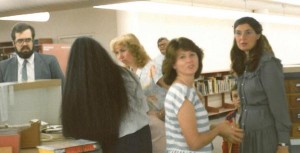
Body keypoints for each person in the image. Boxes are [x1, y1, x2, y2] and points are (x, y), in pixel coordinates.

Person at [61, 37, 152, 153]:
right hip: (139, 135)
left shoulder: (79, 85)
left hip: (110, 141)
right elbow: (144, 108)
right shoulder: (126, 75)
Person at [163, 37, 244, 153]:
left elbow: (194, 128)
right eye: (182, 57)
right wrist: (218, 130)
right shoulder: (181, 93)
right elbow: (194, 143)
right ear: (173, 64)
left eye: (192, 55)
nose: (189, 60)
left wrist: (215, 127)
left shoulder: (188, 89)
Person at [230, 16, 291, 153]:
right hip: (246, 133)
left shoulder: (268, 64)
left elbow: (279, 106)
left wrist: (283, 143)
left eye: (248, 32)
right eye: (238, 33)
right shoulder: (242, 63)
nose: (242, 37)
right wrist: (238, 98)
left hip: (265, 134)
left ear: (258, 35)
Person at [110, 33, 166, 153]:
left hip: (164, 121)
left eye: (123, 51)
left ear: (135, 49)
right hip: (147, 123)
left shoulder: (152, 67)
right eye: (116, 52)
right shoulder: (130, 71)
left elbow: (175, 90)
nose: (120, 56)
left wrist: (164, 112)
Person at [0, 23, 64, 84]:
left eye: (28, 40)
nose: (24, 44)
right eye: (20, 41)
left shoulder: (49, 62)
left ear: (33, 41)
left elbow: (63, 88)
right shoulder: (3, 67)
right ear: (14, 43)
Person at [222, 84, 240, 153]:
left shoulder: (253, 116)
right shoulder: (228, 118)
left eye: (241, 95)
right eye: (235, 96)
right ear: (232, 100)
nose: (239, 98)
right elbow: (225, 142)